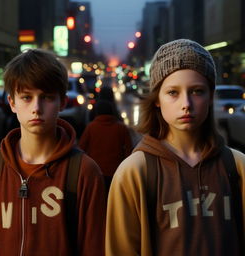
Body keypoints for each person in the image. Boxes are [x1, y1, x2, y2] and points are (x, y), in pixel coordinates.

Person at [105, 39, 245, 256]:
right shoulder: (134, 172)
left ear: (210, 96)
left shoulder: (238, 166)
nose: (186, 103)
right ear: (157, 99)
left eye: (197, 91)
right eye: (173, 92)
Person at [0, 49, 106, 256]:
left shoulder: (84, 172)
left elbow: (93, 247)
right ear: (12, 102)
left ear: (62, 102)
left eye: (46, 97)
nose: (36, 107)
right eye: (26, 97)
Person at [79, 99, 133, 193]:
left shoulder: (91, 127)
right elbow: (129, 150)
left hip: (95, 172)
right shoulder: (121, 128)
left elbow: (81, 149)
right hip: (116, 172)